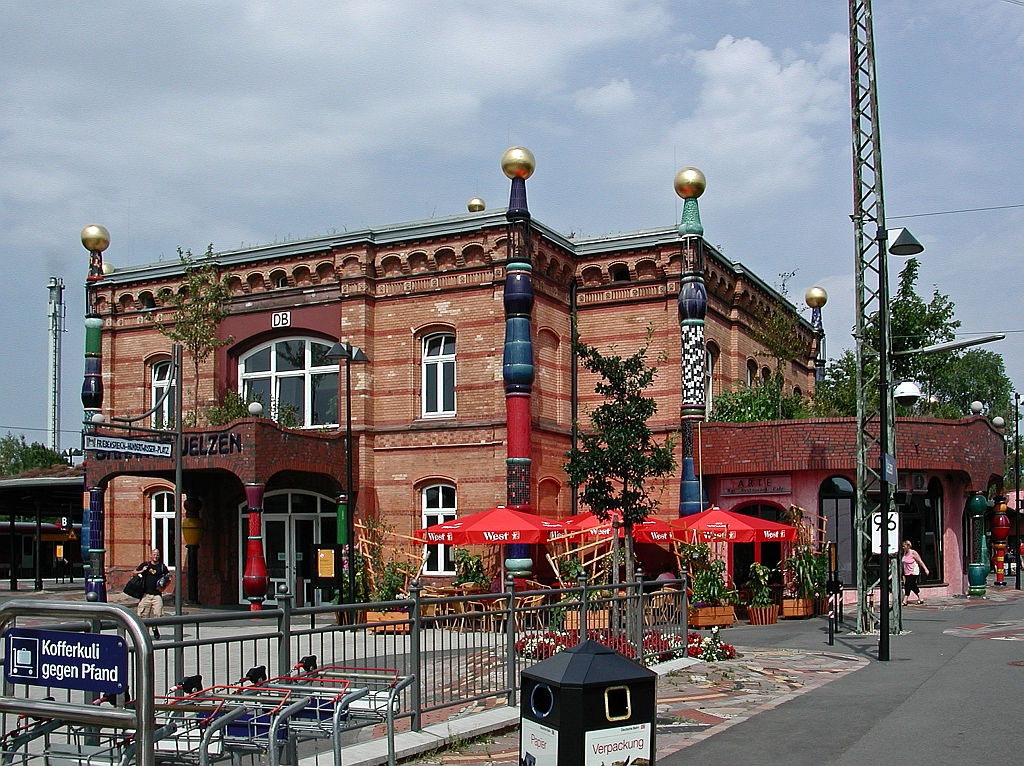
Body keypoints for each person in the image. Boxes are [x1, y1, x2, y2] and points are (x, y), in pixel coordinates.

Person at [135, 548, 171, 637]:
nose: (156, 556)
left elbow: (169, 578)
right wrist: (142, 571)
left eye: (157, 555)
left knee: (158, 613)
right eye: (154, 554)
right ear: (151, 555)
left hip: (157, 595)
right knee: (143, 615)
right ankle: (146, 635)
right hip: (146, 594)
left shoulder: (162, 567)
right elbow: (133, 573)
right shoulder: (146, 565)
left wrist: (163, 588)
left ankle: (154, 628)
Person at [901, 540, 929, 606]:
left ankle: (905, 600)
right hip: (907, 572)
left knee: (908, 585)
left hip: (913, 572)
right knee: (913, 586)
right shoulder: (904, 553)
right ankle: (920, 598)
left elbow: (920, 561)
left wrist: (925, 569)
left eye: (904, 546)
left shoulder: (913, 553)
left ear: (908, 546)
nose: (903, 548)